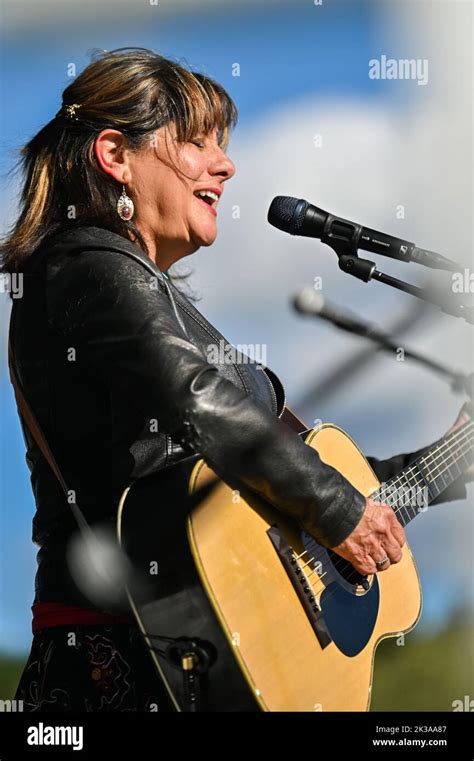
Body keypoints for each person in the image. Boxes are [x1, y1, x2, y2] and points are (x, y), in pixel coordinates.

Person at [2, 48, 470, 712]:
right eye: (196, 143)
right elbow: (202, 400)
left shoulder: (165, 305)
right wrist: (338, 509)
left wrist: (442, 464)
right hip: (119, 668)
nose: (226, 164)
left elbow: (299, 489)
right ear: (114, 155)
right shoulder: (80, 262)